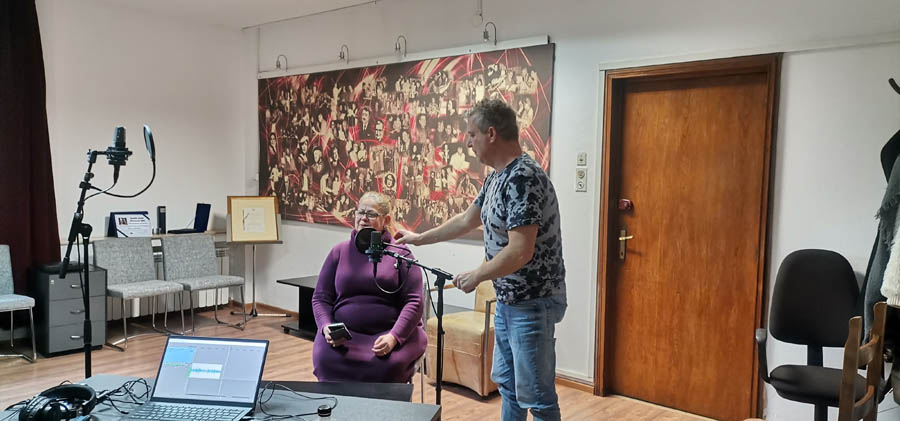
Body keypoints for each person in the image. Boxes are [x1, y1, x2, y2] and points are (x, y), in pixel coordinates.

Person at [395, 99, 566, 421]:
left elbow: (520, 250)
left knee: (538, 397)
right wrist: (419, 238)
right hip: (509, 301)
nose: (467, 142)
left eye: (472, 134)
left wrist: (477, 275)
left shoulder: (524, 177)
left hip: (533, 303)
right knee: (509, 388)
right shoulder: (497, 177)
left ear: (491, 133)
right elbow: (465, 220)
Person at [311, 192, 427, 383]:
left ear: (386, 220)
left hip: (388, 336)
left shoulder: (402, 254)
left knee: (387, 366)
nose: (363, 218)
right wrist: (326, 327)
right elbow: (320, 297)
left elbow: (414, 302)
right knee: (325, 359)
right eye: (360, 212)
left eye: (371, 214)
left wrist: (394, 337)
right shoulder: (339, 251)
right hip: (345, 337)